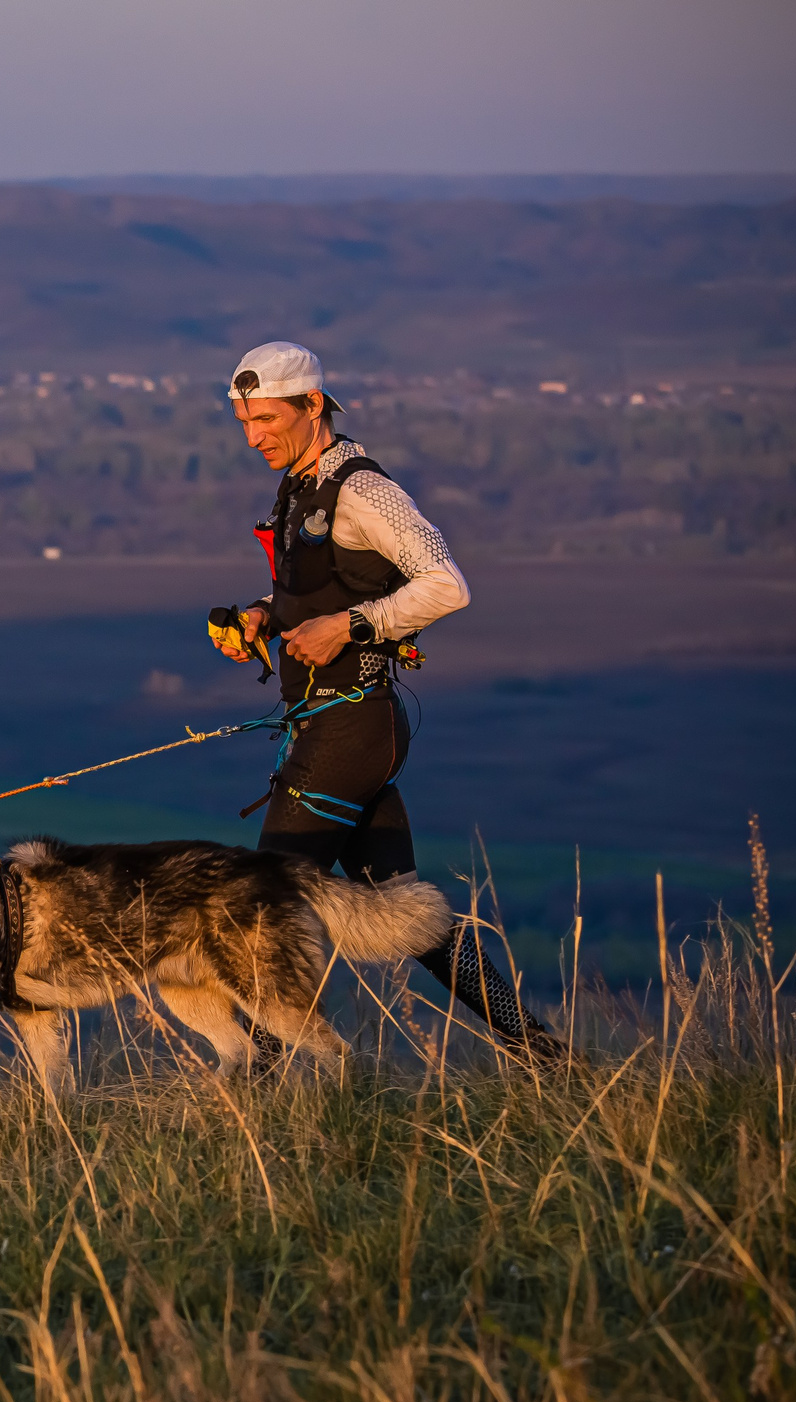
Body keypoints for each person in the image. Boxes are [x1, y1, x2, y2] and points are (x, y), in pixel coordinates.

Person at [213, 340, 563, 1060]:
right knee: (408, 915)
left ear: (313, 405)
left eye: (266, 420)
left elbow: (447, 585)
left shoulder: (364, 491)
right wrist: (262, 618)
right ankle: (543, 1055)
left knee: (268, 906)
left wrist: (349, 626)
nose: (253, 438)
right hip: (334, 726)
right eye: (245, 422)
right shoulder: (300, 486)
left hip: (351, 727)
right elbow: (322, 591)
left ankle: (253, 1093)